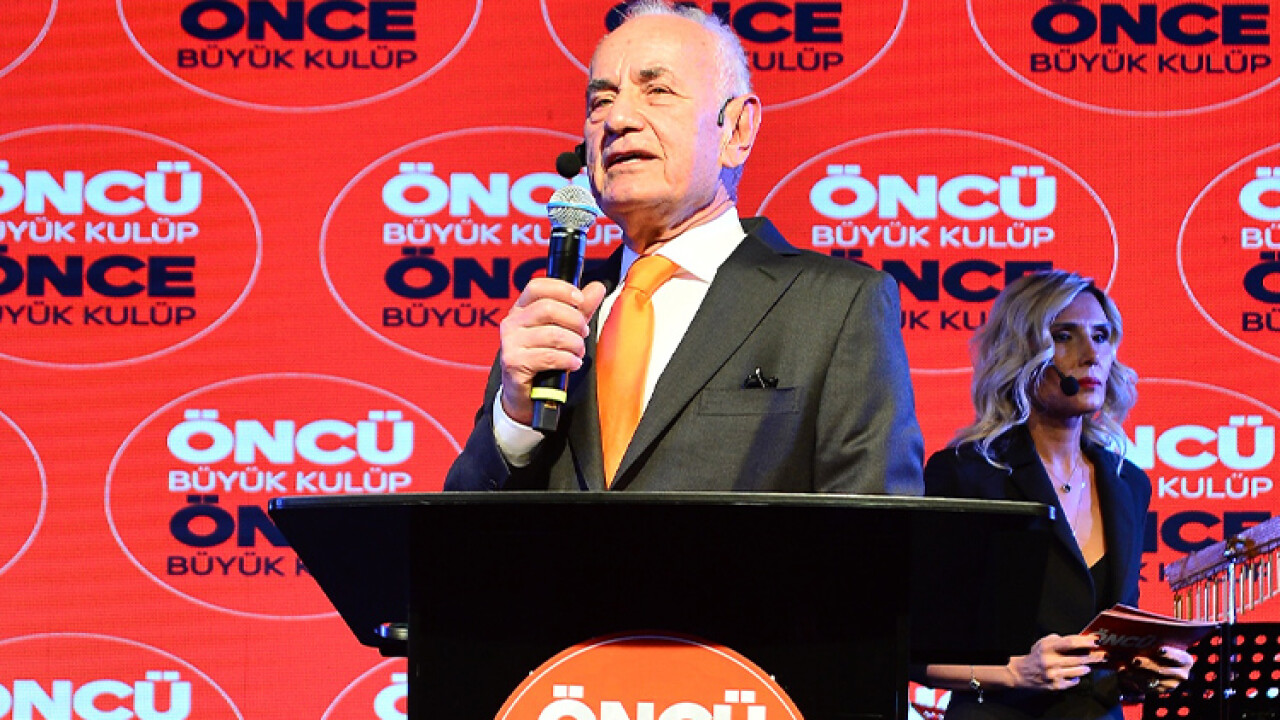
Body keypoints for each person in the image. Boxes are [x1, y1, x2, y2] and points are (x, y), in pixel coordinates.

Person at [444, 0, 922, 493]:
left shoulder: (834, 308)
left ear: (736, 130)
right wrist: (515, 421)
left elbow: (873, 530)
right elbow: (455, 532)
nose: (618, 118)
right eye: (600, 101)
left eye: (658, 91)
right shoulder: (554, 316)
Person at [916, 270, 1193, 719]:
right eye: (1064, 336)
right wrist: (1012, 673)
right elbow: (915, 649)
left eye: (1100, 336)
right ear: (1023, 351)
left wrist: (1143, 671)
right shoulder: (967, 475)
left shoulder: (1128, 482)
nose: (1091, 355)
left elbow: (1114, 643)